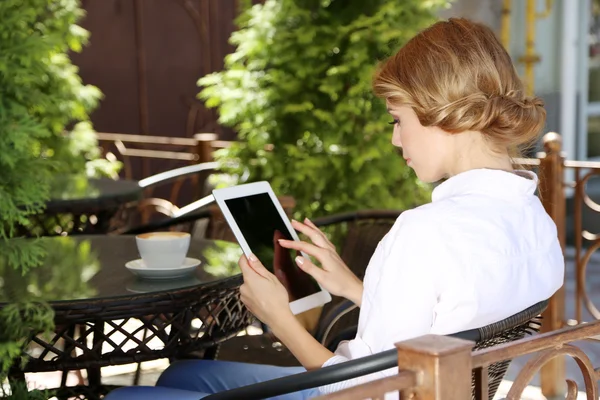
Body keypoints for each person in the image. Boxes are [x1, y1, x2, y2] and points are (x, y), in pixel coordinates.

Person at [105, 17, 564, 400]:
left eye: (398, 120)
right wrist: (356, 288)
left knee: (128, 395)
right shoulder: (534, 219)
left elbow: (363, 388)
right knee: (181, 377)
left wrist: (280, 319)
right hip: (434, 384)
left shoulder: (426, 231)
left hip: (364, 392)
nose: (395, 139)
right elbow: (456, 318)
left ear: (442, 111)